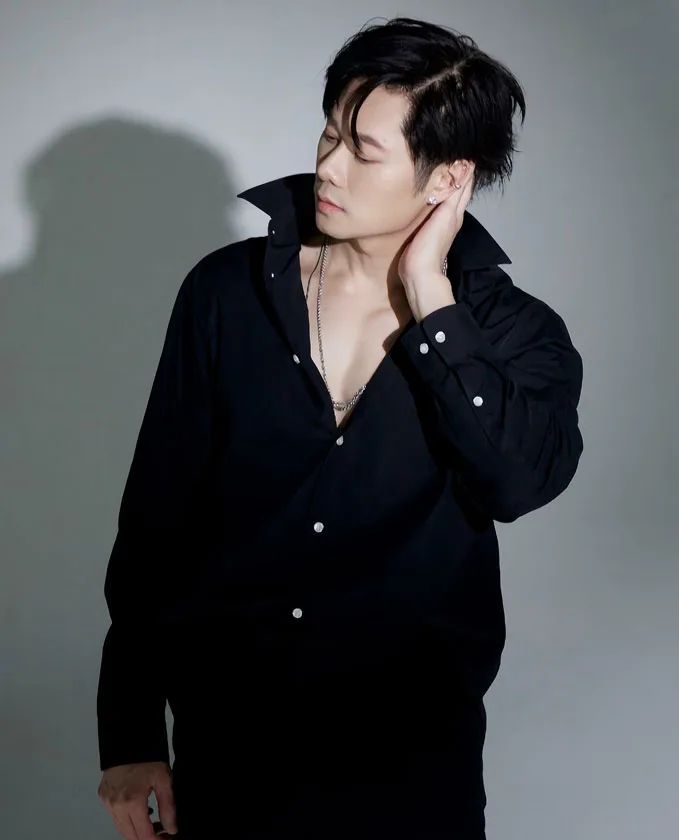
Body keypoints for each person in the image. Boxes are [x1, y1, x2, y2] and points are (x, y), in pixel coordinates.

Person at [96, 16, 583, 840]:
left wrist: (430, 296)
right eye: (329, 134)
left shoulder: (511, 332)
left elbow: (516, 482)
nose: (327, 166)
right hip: (230, 752)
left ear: (447, 177)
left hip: (410, 765)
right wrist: (131, 735)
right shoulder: (225, 292)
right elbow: (157, 523)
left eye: (364, 150)